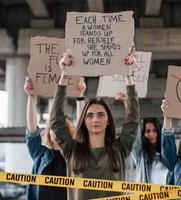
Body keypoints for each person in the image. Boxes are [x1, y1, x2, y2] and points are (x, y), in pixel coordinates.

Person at [49, 50, 140, 199]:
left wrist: (128, 76)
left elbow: (133, 119)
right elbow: (55, 121)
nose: (95, 120)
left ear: (108, 120)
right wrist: (64, 75)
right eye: (89, 116)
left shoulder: (120, 148)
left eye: (100, 115)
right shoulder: (72, 149)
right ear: (84, 121)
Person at [24, 76, 86, 200]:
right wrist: (31, 96)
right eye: (54, 128)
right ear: (48, 133)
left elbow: (82, 128)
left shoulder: (74, 154)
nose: (58, 131)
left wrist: (80, 96)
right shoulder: (40, 154)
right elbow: (32, 130)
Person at [130, 117, 169, 184]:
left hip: (164, 193)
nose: (151, 134)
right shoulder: (140, 153)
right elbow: (134, 136)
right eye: (147, 131)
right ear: (143, 134)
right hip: (145, 194)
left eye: (154, 130)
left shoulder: (165, 154)